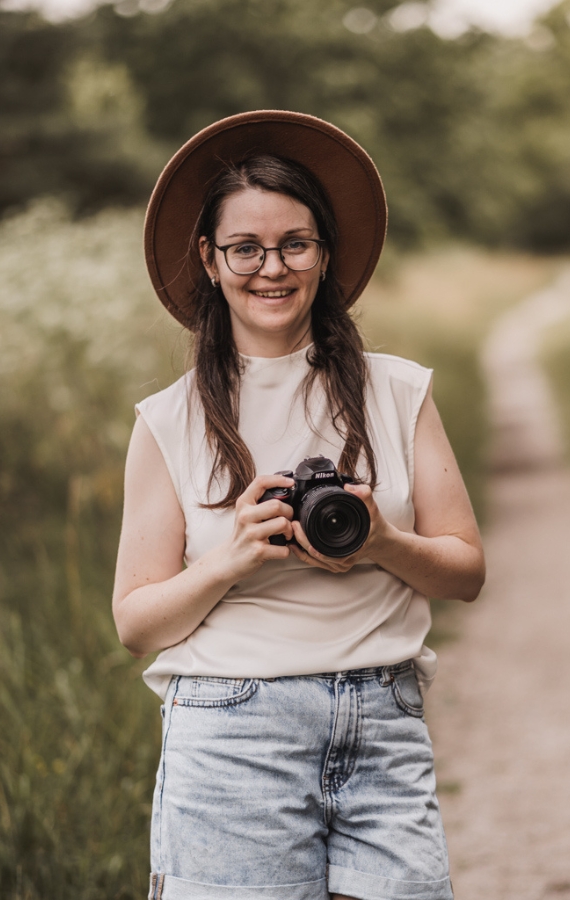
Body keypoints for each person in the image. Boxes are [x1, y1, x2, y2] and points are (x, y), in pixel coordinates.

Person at [112, 110, 485, 900]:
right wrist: (233, 560)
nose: (270, 267)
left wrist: (383, 541)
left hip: (382, 721)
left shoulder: (399, 390)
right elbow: (136, 624)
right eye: (245, 247)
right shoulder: (169, 420)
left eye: (295, 244)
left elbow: (465, 573)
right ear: (210, 260)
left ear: (325, 254)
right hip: (231, 737)